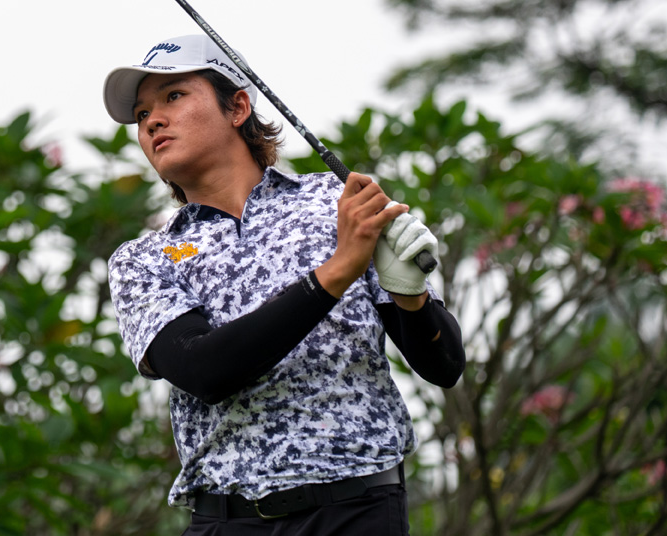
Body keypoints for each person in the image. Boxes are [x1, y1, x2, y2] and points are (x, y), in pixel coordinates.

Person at [102, 34, 466, 534]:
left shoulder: (338, 204)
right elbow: (204, 370)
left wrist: (411, 296)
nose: (153, 122)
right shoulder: (143, 258)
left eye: (174, 97)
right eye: (142, 115)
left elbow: (443, 366)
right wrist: (336, 272)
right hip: (226, 521)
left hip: (358, 509)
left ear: (238, 108)